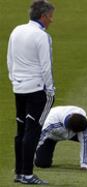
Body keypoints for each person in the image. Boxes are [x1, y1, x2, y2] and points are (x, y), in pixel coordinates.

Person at [7, 0, 56, 184]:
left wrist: (14, 80)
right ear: (43, 16)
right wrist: (50, 89)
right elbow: (46, 66)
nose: (52, 20)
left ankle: (19, 172)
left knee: (21, 131)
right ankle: (28, 174)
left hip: (18, 88)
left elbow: (9, 59)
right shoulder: (42, 36)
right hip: (36, 90)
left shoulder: (16, 30)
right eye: (50, 16)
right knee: (33, 132)